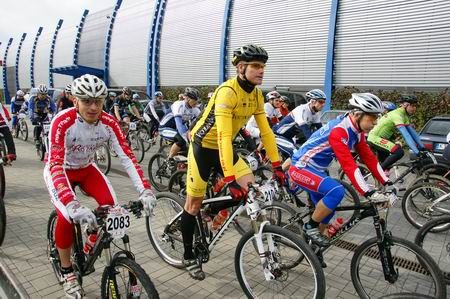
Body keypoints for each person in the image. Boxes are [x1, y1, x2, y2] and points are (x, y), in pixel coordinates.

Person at [43, 74, 156, 299]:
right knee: (66, 216)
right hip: (60, 170)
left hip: (86, 168)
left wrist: (145, 190)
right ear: (75, 101)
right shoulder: (62, 122)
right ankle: (67, 271)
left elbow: (127, 157)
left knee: (110, 207)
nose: (93, 107)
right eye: (87, 101)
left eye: (98, 101)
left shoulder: (109, 122)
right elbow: (55, 164)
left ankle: (91, 236)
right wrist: (71, 202)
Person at [183, 44, 284, 280]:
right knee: (193, 206)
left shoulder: (257, 94)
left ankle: (214, 207)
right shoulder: (227, 92)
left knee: (251, 191)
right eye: (256, 66)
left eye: (263, 67)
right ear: (241, 67)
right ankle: (189, 255)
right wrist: (230, 178)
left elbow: (266, 132)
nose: (262, 71)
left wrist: (277, 165)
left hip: (224, 148)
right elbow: (224, 136)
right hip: (203, 147)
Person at [289, 93, 394, 248]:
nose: (376, 122)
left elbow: (369, 158)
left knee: (329, 210)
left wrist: (387, 182)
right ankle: (310, 227)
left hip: (317, 171)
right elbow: (349, 165)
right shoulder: (339, 131)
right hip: (301, 168)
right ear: (358, 115)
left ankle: (313, 248)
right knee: (336, 191)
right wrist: (369, 193)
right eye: (372, 118)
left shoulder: (356, 132)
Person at [368, 95, 426, 171]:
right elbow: (406, 135)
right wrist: (417, 152)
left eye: (416, 106)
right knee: (399, 152)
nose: (415, 108)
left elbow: (412, 132)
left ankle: (381, 178)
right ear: (405, 105)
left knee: (387, 166)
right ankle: (378, 173)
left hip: (384, 139)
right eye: (412, 106)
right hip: (375, 138)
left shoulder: (404, 115)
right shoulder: (397, 115)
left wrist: (423, 147)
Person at [272, 89, 326, 160]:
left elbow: (320, 130)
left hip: (288, 138)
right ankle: (280, 170)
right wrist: (314, 144)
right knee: (296, 154)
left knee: (298, 155)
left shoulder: (315, 114)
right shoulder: (301, 109)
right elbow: (305, 130)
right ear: (312, 101)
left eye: (324, 102)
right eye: (321, 102)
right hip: (277, 135)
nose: (323, 104)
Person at [159, 87, 201, 160]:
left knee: (187, 147)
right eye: (195, 101)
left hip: (176, 129)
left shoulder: (195, 109)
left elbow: (201, 123)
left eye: (197, 101)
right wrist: (188, 139)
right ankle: (169, 159)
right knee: (181, 139)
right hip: (164, 128)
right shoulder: (179, 105)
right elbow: (179, 125)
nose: (196, 103)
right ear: (188, 99)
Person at [28, 84, 56, 149]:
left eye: (45, 94)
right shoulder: (33, 99)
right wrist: (32, 119)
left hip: (44, 113)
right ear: (38, 94)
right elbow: (30, 109)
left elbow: (54, 109)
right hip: (36, 113)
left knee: (49, 125)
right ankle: (37, 139)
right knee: (39, 125)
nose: (43, 96)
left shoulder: (49, 98)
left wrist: (55, 118)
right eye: (41, 94)